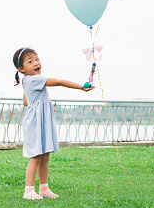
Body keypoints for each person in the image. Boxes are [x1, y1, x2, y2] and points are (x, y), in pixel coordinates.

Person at [13, 47, 94, 200]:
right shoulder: (34, 79)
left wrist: (43, 110)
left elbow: (26, 102)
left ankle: (44, 188)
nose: (36, 63)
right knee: (36, 155)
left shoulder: (27, 81)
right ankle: (28, 190)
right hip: (35, 124)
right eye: (30, 62)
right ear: (21, 68)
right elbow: (59, 82)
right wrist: (80, 87)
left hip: (38, 120)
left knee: (45, 155)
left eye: (37, 59)